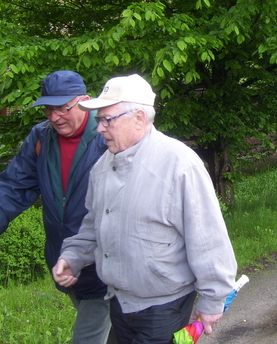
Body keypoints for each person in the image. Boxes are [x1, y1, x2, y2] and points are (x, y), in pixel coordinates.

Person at [51, 73, 238, 344]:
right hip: (118, 302)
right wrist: (72, 257)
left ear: (138, 117)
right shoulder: (103, 167)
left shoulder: (179, 164)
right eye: (99, 120)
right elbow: (92, 225)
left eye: (107, 120)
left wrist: (213, 299)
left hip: (164, 308)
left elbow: (208, 239)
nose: (100, 128)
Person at [0, 70, 115, 344]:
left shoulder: (107, 136)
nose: (54, 117)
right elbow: (13, 186)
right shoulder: (41, 138)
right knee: (118, 334)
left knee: (89, 336)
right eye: (49, 109)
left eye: (62, 108)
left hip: (104, 263)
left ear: (84, 101)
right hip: (64, 261)